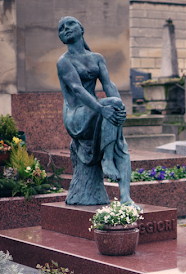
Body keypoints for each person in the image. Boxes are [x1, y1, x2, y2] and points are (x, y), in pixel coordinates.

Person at [57, 16, 135, 206]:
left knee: (120, 143)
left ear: (81, 29)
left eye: (70, 24)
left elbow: (108, 84)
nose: (65, 29)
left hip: (96, 110)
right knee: (112, 107)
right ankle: (106, 159)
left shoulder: (97, 58)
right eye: (61, 28)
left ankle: (125, 198)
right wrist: (103, 109)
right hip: (76, 116)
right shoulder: (64, 61)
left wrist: (121, 111)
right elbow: (77, 89)